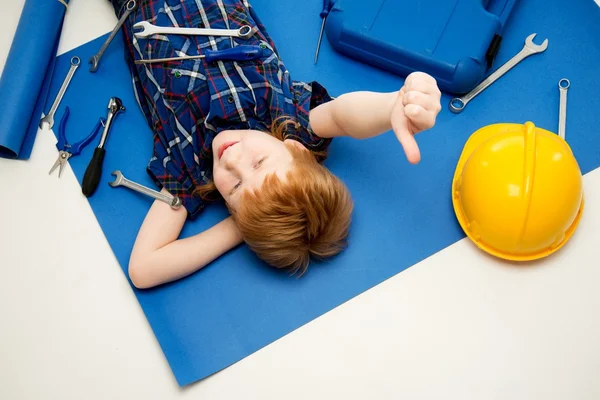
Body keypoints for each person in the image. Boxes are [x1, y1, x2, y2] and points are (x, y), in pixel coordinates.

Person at [108, 0, 442, 289]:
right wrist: (390, 107)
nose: (233, 158)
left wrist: (243, 227)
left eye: (236, 187)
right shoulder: (285, 118)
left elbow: (143, 269)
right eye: (259, 163)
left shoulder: (189, 169)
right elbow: (342, 117)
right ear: (297, 150)